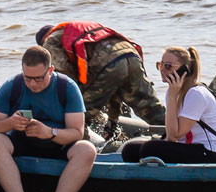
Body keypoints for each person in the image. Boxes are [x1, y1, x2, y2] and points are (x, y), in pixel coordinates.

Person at [0, 45, 96, 192]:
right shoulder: (12, 86)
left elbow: (77, 132)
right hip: (21, 142)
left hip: (58, 145)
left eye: (39, 78)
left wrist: (50, 133)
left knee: (87, 150)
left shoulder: (66, 87)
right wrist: (10, 123)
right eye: (28, 78)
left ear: (50, 70)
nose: (33, 84)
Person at [37, 21, 166, 133]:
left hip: (109, 63)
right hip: (131, 54)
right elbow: (113, 87)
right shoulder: (75, 30)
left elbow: (66, 79)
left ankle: (79, 150)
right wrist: (113, 119)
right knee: (150, 108)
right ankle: (178, 137)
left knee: (79, 115)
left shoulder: (50, 41)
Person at [120, 47, 216, 163]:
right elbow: (170, 135)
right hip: (188, 147)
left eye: (168, 66)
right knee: (130, 149)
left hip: (211, 153)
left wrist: (172, 97)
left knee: (149, 148)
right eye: (160, 65)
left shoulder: (196, 94)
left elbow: (174, 136)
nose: (162, 69)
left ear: (184, 70)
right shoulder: (173, 91)